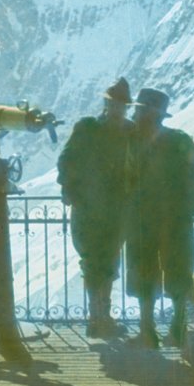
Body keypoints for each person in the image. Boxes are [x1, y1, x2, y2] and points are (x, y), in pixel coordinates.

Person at [125, 88, 194, 348]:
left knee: (144, 271)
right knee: (177, 271)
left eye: (139, 110)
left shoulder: (130, 142)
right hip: (175, 219)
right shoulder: (179, 141)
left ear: (147, 113)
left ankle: (148, 332)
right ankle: (177, 330)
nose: (135, 113)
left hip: (142, 220)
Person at [56, 77, 134, 339]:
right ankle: (96, 318)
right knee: (92, 262)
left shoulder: (129, 132)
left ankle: (103, 318)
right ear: (106, 104)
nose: (117, 109)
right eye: (114, 104)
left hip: (115, 210)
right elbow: (67, 159)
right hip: (88, 208)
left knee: (108, 264)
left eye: (121, 105)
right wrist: (69, 190)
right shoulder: (87, 128)